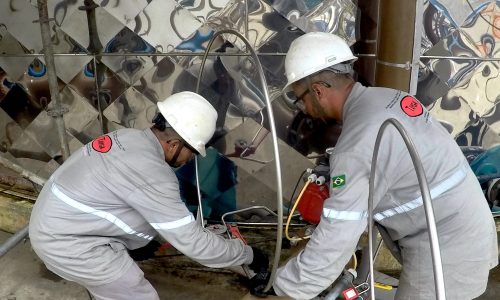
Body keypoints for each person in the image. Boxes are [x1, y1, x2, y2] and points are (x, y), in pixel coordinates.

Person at [269, 32, 498, 299]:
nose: (304, 109)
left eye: (300, 99)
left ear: (318, 91)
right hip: (465, 228)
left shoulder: (356, 145)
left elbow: (336, 240)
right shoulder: (389, 98)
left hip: (446, 249)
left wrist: (283, 288)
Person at [28, 91, 269, 300]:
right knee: (136, 293)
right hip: (70, 245)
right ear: (175, 144)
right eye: (193, 154)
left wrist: (138, 242)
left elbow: (117, 198)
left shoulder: (127, 138)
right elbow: (196, 245)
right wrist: (247, 254)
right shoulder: (154, 173)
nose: (190, 160)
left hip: (53, 224)